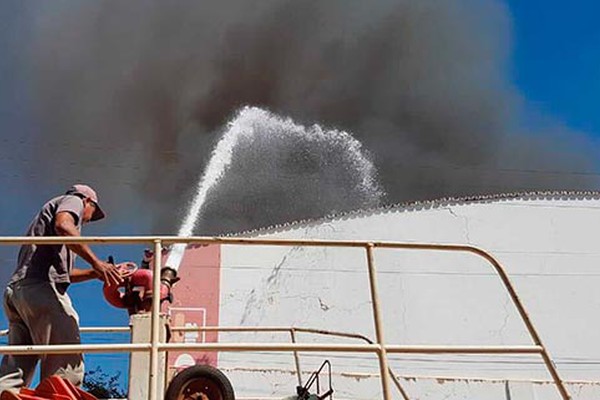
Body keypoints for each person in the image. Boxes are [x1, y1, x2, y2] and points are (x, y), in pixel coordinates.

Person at [0, 184, 125, 393]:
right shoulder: (73, 201)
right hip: (40, 290)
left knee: (19, 362)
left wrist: (97, 272)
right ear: (88, 202)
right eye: (91, 214)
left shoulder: (54, 233)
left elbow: (63, 274)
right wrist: (96, 263)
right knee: (67, 350)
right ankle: (61, 395)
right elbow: (64, 225)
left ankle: (6, 393)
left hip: (19, 293)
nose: (86, 220)